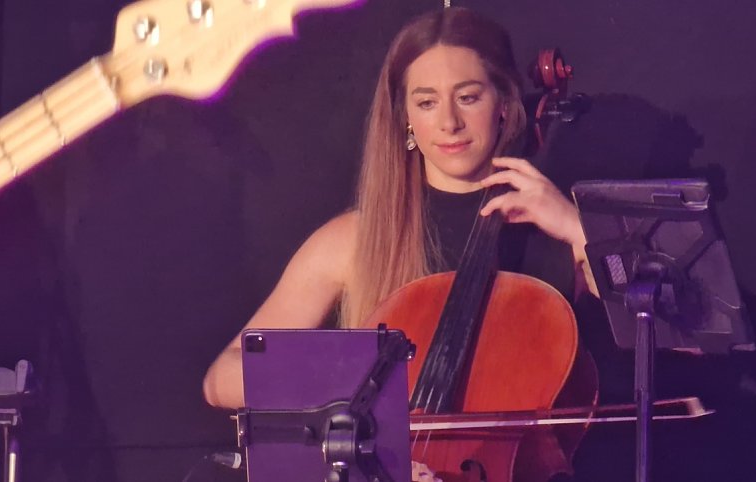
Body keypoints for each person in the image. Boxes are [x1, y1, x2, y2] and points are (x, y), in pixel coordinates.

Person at [203, 6, 596, 480]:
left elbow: (666, 330)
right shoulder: (356, 238)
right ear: (406, 117)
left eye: (468, 97)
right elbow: (222, 377)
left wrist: (577, 228)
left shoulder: (554, 234)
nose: (449, 122)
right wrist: (354, 384)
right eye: (426, 103)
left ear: (504, 106)